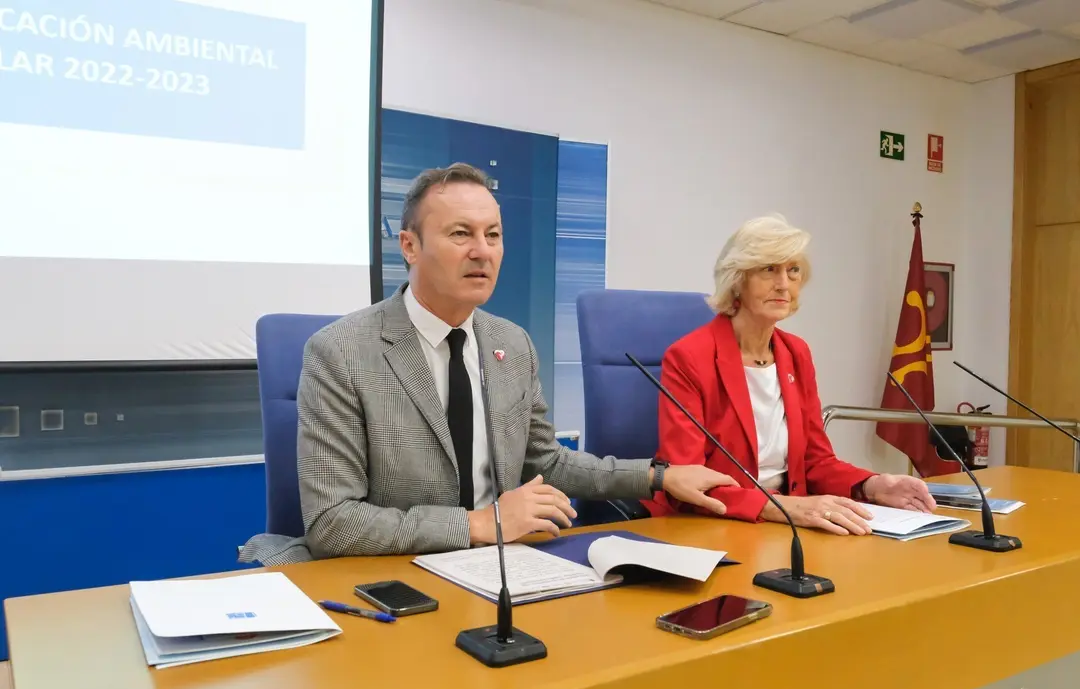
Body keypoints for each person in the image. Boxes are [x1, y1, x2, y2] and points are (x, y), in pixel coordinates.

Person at [240, 162, 737, 565]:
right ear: (409, 246)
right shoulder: (340, 351)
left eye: (493, 235)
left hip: (503, 567)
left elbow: (547, 463)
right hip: (395, 577)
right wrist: (480, 524)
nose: (482, 251)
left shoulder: (511, 343)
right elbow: (332, 523)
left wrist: (657, 476)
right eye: (461, 234)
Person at [644, 214, 936, 536]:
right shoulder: (689, 357)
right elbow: (686, 480)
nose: (784, 284)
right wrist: (781, 506)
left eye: (793, 270)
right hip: (710, 526)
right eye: (769, 269)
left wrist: (872, 485)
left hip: (785, 524)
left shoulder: (796, 353)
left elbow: (816, 461)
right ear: (737, 279)